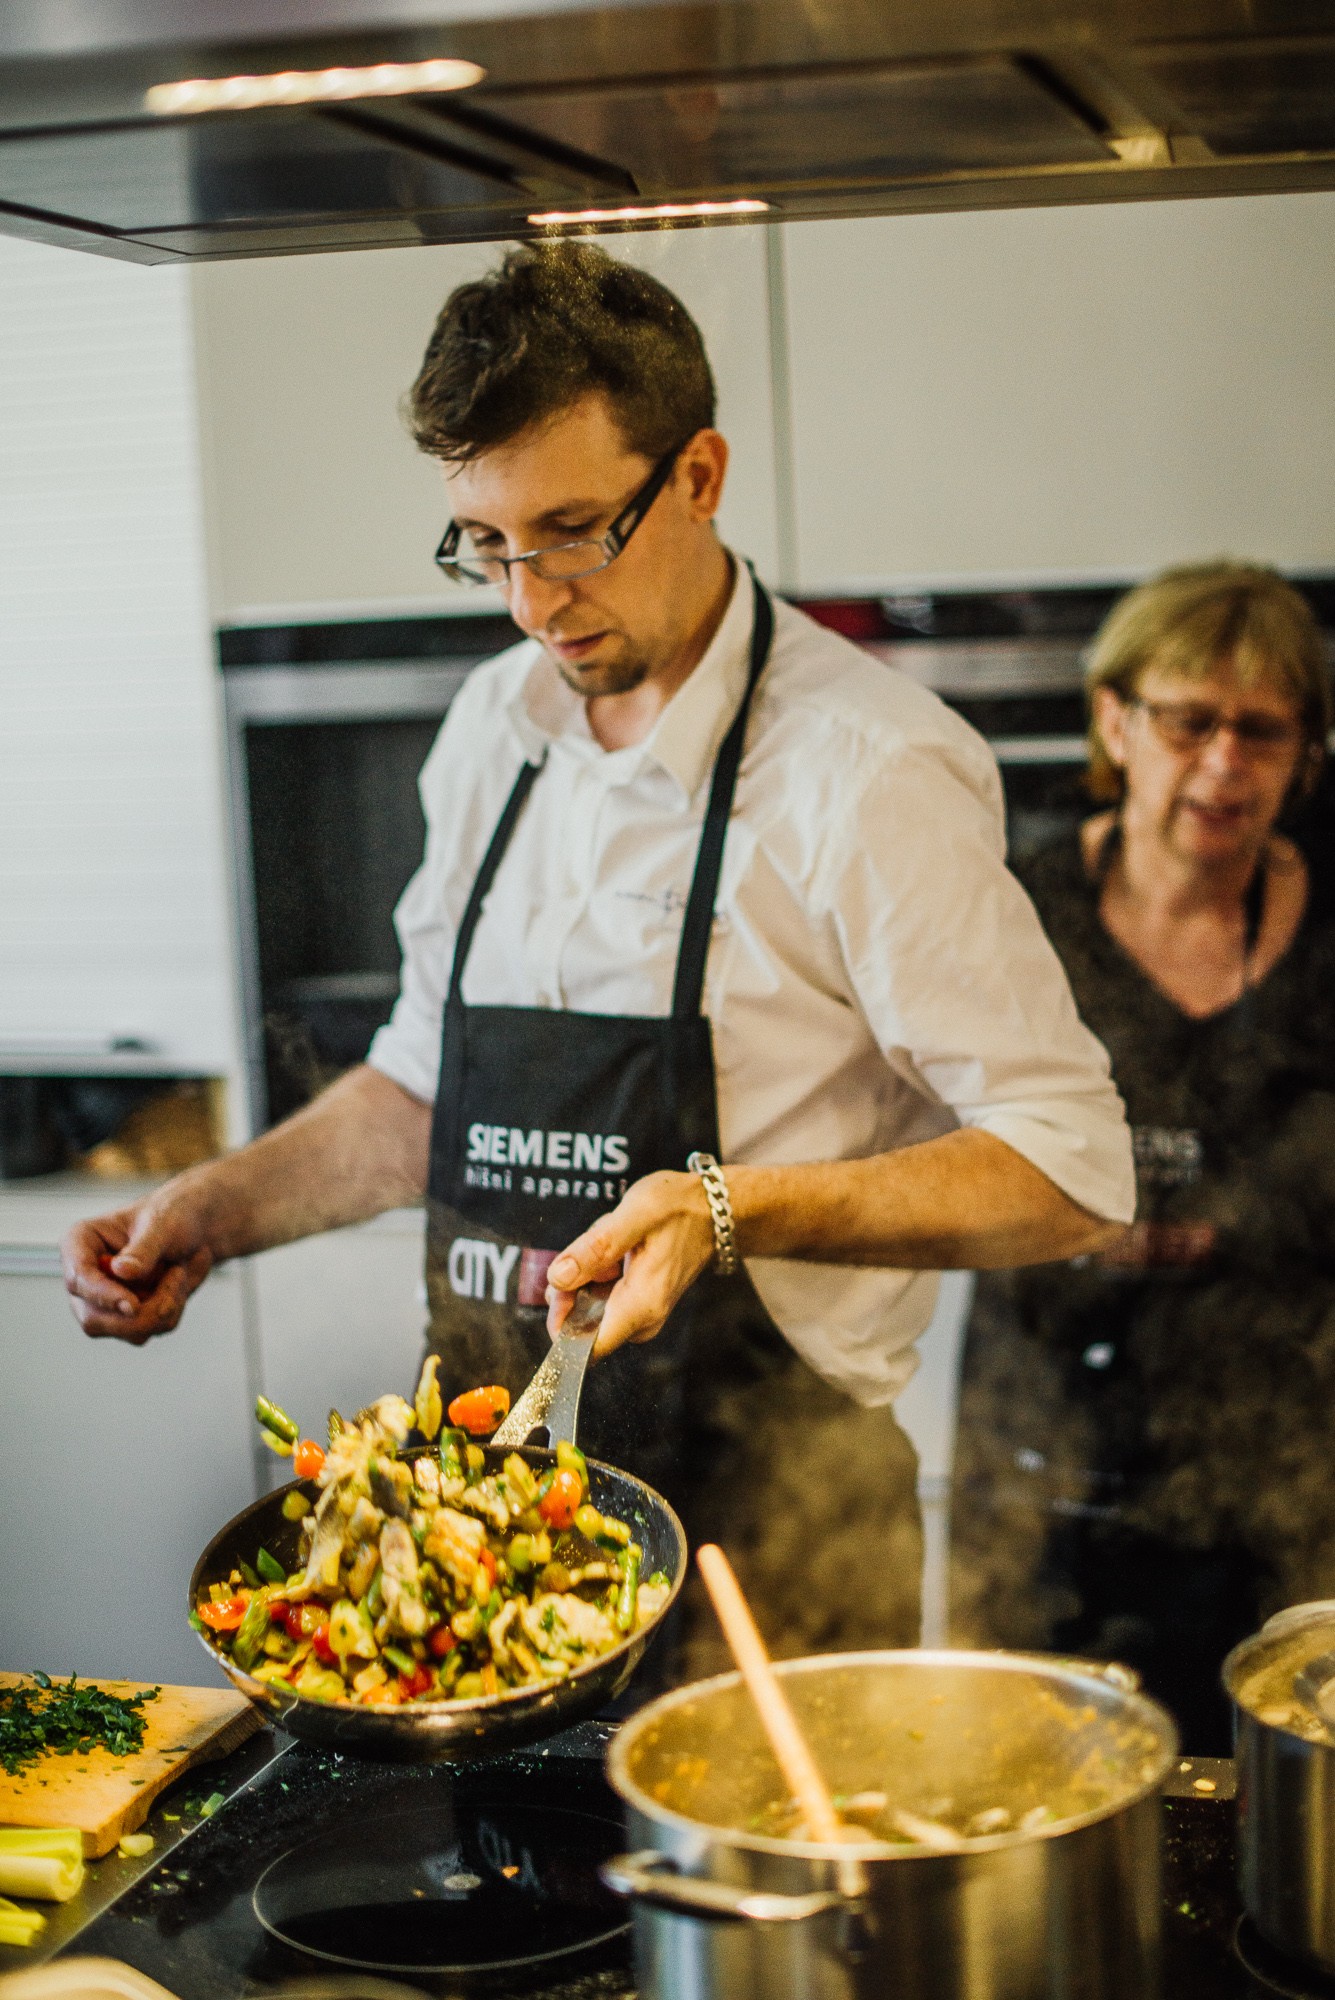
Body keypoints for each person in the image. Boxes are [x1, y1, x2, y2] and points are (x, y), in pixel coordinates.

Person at [63, 242, 1132, 1667]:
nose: (529, 601)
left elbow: (1069, 1167)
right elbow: (424, 1092)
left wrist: (726, 1208)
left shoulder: (865, 767)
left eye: (571, 533)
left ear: (699, 475)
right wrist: (215, 1209)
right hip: (487, 1537)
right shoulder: (490, 731)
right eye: (485, 544)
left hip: (774, 1544)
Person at [949, 560, 1335, 1752]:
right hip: (1033, 1462)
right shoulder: (1014, 911)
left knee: (1271, 1801)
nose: (1224, 762)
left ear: (1305, 752)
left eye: (1262, 730)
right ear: (1114, 720)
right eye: (1188, 720)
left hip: (1282, 1474)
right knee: (1026, 1779)